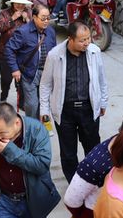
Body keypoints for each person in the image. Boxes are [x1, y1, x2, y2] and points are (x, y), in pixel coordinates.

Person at [39, 21, 109, 182]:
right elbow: (45, 84)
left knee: (93, 148)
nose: (87, 43)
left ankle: (93, 180)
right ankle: (74, 183)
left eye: (88, 38)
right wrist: (44, 110)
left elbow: (101, 79)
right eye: (82, 40)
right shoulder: (55, 55)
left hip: (88, 108)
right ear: (70, 39)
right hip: (65, 111)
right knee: (68, 152)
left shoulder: (94, 52)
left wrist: (103, 102)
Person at [4, 3, 56, 118]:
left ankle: (41, 125)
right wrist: (15, 69)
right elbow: (9, 49)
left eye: (48, 18)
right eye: (43, 18)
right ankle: (32, 125)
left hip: (47, 73)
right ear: (34, 17)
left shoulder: (50, 31)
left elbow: (55, 51)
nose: (46, 21)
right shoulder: (23, 32)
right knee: (32, 104)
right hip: (29, 73)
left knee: (44, 103)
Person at [0, 0, 32, 102]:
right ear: (13, 3)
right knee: (6, 79)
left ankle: (21, 101)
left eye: (22, 4)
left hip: (23, 54)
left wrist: (27, 20)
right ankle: (4, 96)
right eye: (17, 3)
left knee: (21, 80)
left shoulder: (28, 12)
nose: (20, 6)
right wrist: (12, 18)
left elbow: (33, 30)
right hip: (5, 53)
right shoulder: (4, 13)